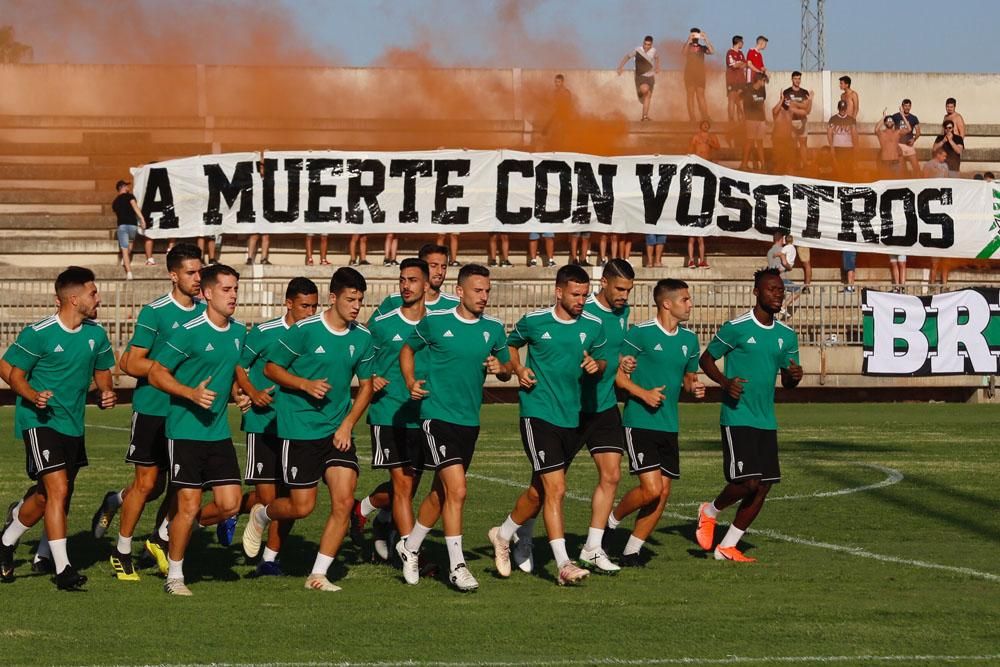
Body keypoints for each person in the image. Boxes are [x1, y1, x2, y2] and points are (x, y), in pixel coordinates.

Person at [241, 267, 376, 593]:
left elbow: (368, 386)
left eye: (360, 300)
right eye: (350, 299)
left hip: (336, 433)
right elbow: (271, 368)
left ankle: (318, 574)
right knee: (302, 507)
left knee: (343, 502)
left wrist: (347, 425)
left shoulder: (362, 337)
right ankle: (261, 515)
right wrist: (303, 384)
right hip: (299, 430)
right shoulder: (304, 330)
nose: (356, 306)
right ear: (333, 298)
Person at [90, 243, 205, 582]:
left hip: (187, 413)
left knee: (179, 485)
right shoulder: (156, 312)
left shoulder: (206, 312)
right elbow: (129, 362)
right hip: (154, 409)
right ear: (173, 275)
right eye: (190, 272)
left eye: (200, 271)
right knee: (148, 484)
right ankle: (121, 550)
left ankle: (157, 540)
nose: (198, 278)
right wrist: (170, 370)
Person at [487, 264, 607, 586]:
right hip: (538, 414)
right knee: (557, 488)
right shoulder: (534, 322)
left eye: (585, 294)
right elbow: (511, 345)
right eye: (575, 294)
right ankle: (564, 564)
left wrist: (597, 365)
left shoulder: (594, 325)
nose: (582, 300)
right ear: (558, 292)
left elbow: (603, 356)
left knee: (538, 492)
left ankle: (504, 534)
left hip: (572, 417)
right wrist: (518, 368)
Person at [395, 264, 511, 591]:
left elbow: (506, 370)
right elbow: (407, 349)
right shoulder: (436, 322)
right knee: (458, 490)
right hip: (436, 415)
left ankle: (410, 546)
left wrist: (500, 368)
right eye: (477, 290)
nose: (484, 296)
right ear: (459, 291)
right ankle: (457, 566)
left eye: (487, 291)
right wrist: (408, 380)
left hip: (469, 421)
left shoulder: (493, 328)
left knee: (441, 492)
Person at [0, 267, 116, 589]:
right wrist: (34, 396)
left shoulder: (96, 335)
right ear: (74, 298)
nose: (99, 298)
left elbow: (104, 371)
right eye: (94, 293)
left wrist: (105, 392)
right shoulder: (40, 333)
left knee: (46, 496)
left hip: (72, 423)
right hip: (38, 421)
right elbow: (11, 372)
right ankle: (63, 569)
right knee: (59, 490)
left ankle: (6, 541)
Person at [145, 264, 248, 596]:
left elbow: (229, 368)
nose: (233, 295)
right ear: (206, 293)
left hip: (218, 433)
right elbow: (156, 373)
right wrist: (190, 393)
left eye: (235, 289)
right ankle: (175, 576)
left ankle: (171, 527)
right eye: (226, 289)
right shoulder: (187, 331)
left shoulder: (239, 332)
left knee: (231, 504)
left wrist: (239, 393)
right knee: (187, 504)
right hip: (185, 431)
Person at [695, 268, 802, 562]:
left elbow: (789, 381)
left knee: (763, 487)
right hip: (738, 416)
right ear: (756, 292)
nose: (777, 294)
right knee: (748, 482)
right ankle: (710, 511)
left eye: (780, 290)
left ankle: (727, 546)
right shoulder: (737, 327)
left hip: (766, 419)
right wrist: (725, 383)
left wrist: (795, 375)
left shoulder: (786, 336)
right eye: (771, 289)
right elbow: (707, 358)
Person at [609, 279, 704, 565]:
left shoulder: (689, 340)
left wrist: (695, 388)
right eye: (685, 299)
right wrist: (643, 394)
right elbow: (619, 375)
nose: (690, 304)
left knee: (661, 494)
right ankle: (610, 523)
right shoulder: (640, 334)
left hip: (669, 425)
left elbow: (689, 379)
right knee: (650, 489)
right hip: (639, 422)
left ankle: (631, 551)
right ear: (666, 303)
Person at [232, 277, 319, 577]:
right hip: (263, 423)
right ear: (289, 303)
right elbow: (240, 366)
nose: (310, 312)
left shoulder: (316, 334)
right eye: (304, 306)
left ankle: (269, 559)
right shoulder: (264, 332)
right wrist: (251, 392)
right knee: (268, 500)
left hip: (296, 427)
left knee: (291, 499)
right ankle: (229, 512)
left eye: (314, 306)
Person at [361, 259, 431, 565]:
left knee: (408, 488)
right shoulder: (382, 324)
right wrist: (370, 377)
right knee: (402, 485)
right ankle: (410, 554)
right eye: (402, 280)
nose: (406, 286)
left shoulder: (439, 323)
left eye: (413, 280)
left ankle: (367, 511)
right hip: (389, 413)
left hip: (425, 415)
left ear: (426, 285)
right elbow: (360, 357)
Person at [572, 259, 636, 573]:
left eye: (629, 290)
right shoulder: (582, 311)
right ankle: (516, 533)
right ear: (604, 284)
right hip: (571, 408)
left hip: (606, 405)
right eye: (620, 289)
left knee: (611, 476)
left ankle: (593, 548)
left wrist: (623, 361)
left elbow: (617, 349)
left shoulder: (623, 313)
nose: (624, 295)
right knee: (544, 487)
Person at [371, 244, 459, 317]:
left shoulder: (455, 304)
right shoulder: (395, 301)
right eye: (433, 265)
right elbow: (368, 332)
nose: (440, 272)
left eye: (443, 267)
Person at [617, 35, 660, 122]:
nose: (646, 46)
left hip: (651, 77)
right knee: (645, 89)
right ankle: (640, 92)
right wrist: (620, 67)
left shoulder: (653, 51)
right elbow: (627, 56)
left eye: (648, 45)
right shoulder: (638, 50)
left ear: (651, 45)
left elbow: (657, 58)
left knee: (648, 96)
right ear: (643, 43)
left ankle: (644, 117)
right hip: (640, 76)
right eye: (645, 44)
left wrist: (657, 66)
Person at [112, 179, 149, 279]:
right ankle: (126, 261)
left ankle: (129, 272)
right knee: (130, 244)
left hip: (122, 226)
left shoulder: (115, 202)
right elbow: (135, 208)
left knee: (124, 250)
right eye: (126, 186)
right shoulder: (130, 196)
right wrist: (142, 219)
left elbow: (118, 212)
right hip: (132, 225)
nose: (128, 187)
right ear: (122, 187)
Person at [782, 72, 813, 169]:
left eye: (799, 79)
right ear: (792, 79)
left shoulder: (805, 92)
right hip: (791, 121)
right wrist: (800, 105)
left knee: (803, 143)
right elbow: (786, 108)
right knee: (792, 144)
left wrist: (795, 103)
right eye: (795, 78)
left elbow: (807, 109)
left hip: (802, 121)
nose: (797, 81)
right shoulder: (787, 92)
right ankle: (792, 164)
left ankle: (804, 164)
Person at [682, 28, 714, 122]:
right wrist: (688, 40)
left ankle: (705, 116)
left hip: (700, 74)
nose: (695, 37)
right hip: (689, 74)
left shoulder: (702, 47)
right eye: (693, 35)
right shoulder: (688, 46)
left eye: (696, 35)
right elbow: (683, 52)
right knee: (690, 95)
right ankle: (692, 118)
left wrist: (706, 39)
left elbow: (712, 51)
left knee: (701, 95)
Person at [740, 75, 767, 172]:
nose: (764, 82)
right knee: (749, 142)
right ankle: (744, 164)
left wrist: (765, 117)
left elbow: (762, 103)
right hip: (750, 119)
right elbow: (740, 100)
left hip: (761, 119)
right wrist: (743, 116)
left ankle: (763, 165)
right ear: (759, 80)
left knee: (760, 143)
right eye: (763, 80)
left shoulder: (763, 89)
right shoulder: (748, 89)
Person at [827, 100, 858, 180]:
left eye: (844, 109)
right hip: (837, 147)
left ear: (846, 109)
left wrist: (855, 146)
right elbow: (829, 134)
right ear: (838, 108)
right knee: (837, 169)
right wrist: (831, 147)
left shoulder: (851, 120)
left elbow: (854, 134)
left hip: (849, 147)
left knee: (848, 169)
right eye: (841, 109)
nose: (843, 111)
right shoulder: (833, 119)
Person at [890, 100, 921, 175]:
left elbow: (918, 132)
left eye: (909, 106)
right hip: (899, 145)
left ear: (911, 106)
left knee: (916, 167)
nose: (907, 108)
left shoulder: (913, 118)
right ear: (902, 106)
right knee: (901, 169)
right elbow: (890, 129)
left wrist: (914, 139)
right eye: (905, 106)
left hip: (908, 145)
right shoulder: (895, 116)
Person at [771, 94, 796, 174]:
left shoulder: (790, 111)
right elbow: (774, 111)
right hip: (778, 138)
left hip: (788, 139)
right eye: (786, 101)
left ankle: (789, 177)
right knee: (779, 161)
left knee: (789, 160)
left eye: (789, 101)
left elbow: (789, 122)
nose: (788, 103)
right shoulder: (777, 111)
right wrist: (781, 100)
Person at [725, 35, 747, 121]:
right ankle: (731, 120)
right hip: (732, 79)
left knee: (740, 100)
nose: (743, 44)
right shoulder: (730, 52)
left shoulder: (741, 53)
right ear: (739, 42)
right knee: (732, 99)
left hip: (741, 80)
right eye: (742, 42)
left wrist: (740, 64)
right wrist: (739, 64)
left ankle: (740, 120)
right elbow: (733, 65)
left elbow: (745, 64)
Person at [875, 111, 903, 178]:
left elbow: (909, 129)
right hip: (885, 162)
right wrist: (884, 116)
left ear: (893, 123)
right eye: (888, 121)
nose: (889, 122)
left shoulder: (897, 132)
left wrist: (902, 115)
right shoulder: (882, 133)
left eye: (891, 121)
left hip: (895, 162)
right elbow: (876, 129)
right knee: (885, 181)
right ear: (885, 123)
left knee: (896, 183)